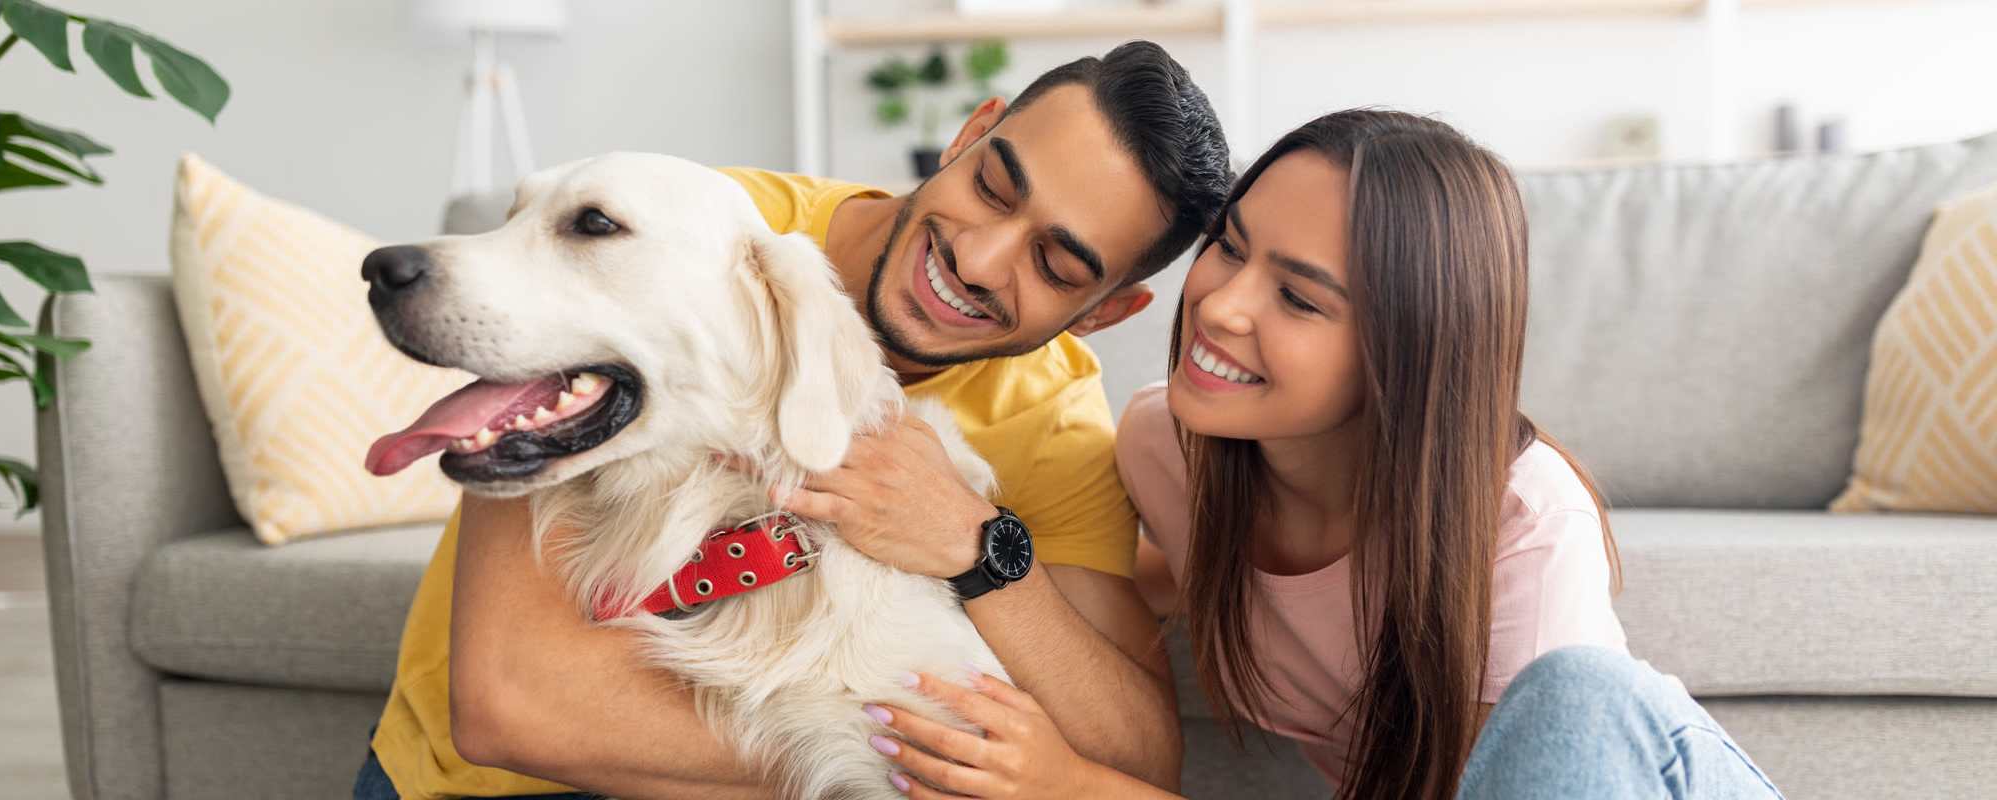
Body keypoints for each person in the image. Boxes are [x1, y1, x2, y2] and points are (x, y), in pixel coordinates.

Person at [354, 41, 1232, 799]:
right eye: (994, 187)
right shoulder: (681, 230)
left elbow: (1132, 758)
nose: (976, 255)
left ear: (1100, 315)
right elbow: (512, 707)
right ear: (970, 133)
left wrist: (979, 544)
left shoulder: (1053, 416)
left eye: (1055, 263)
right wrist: (913, 767)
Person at [864, 110, 1785, 799]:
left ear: (1405, 351)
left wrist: (1077, 786)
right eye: (1230, 247)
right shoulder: (1170, 450)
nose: (1221, 306)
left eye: (1299, 300)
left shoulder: (1522, 524)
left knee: (1580, 693)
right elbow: (1088, 599)